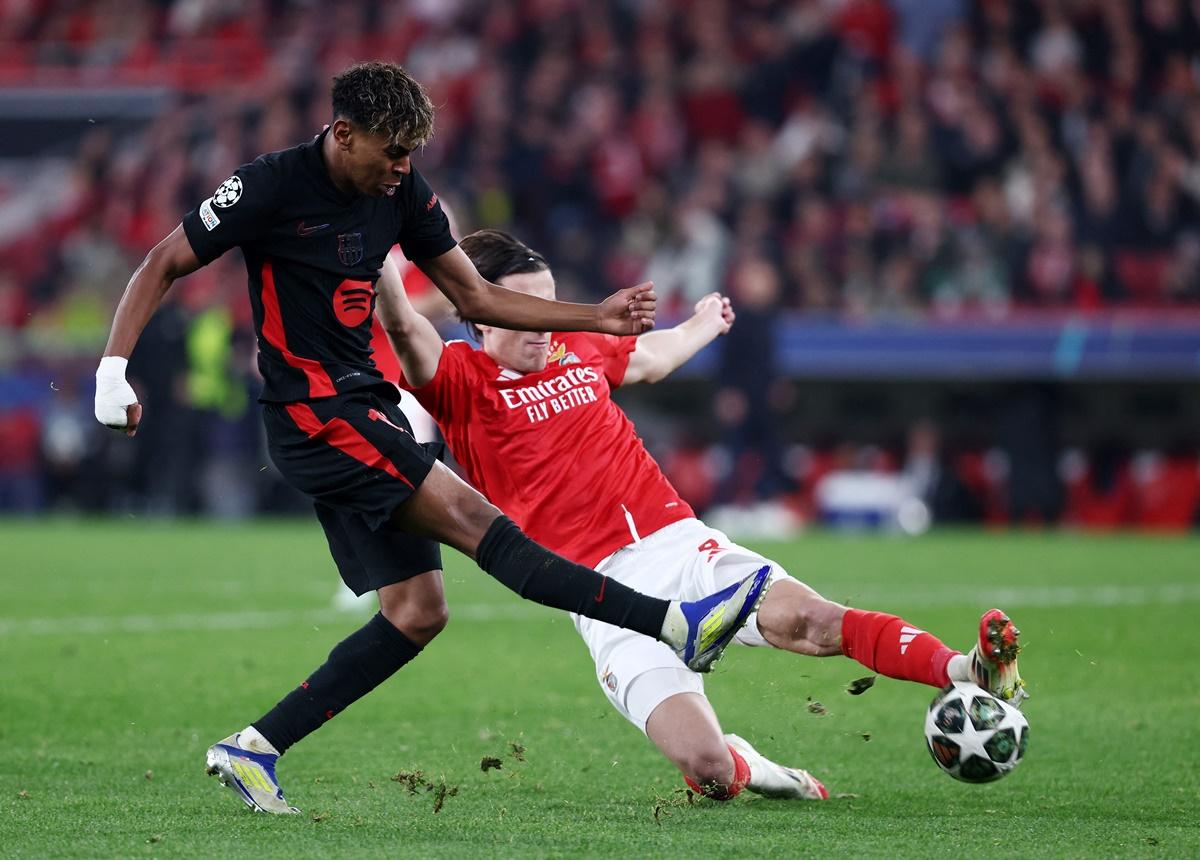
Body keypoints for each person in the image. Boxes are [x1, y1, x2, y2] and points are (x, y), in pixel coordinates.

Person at [92, 62, 770, 814]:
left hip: (362, 407)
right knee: (483, 524)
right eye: (392, 151)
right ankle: (675, 621)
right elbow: (164, 261)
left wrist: (596, 319)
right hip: (318, 419)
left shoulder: (402, 192)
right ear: (344, 135)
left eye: (413, 151)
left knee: (418, 613)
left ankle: (253, 749)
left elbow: (476, 296)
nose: (404, 167)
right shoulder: (268, 185)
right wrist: (113, 369)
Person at [380, 229, 1028, 801]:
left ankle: (966, 669)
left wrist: (706, 322)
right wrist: (375, 250)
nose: (545, 322)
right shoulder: (455, 377)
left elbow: (651, 357)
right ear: (483, 313)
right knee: (708, 768)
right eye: (526, 307)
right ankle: (751, 764)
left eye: (550, 303)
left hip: (680, 546)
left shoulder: (578, 346)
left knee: (811, 621)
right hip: (602, 595)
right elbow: (404, 324)